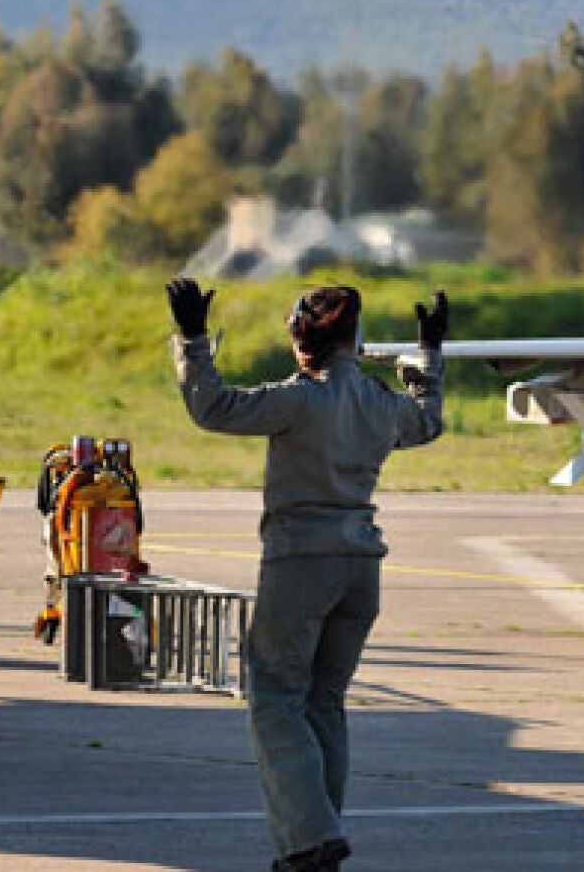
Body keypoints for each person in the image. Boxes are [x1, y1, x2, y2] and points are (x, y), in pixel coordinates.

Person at [166, 279, 447, 872]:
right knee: (324, 702)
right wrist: (429, 355)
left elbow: (212, 408)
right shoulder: (377, 401)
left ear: (301, 337)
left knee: (273, 696)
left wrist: (193, 339)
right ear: (355, 337)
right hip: (361, 569)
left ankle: (308, 838)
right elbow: (427, 421)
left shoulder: (299, 399)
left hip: (301, 563)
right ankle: (318, 839)